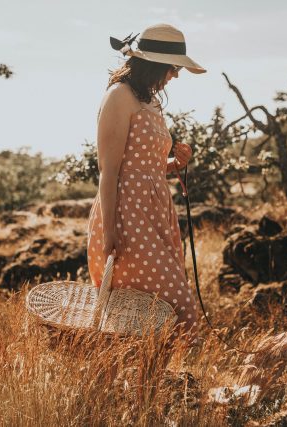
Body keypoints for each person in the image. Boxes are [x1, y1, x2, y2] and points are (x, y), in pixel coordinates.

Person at [86, 23, 206, 344]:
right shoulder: (118, 97)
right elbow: (109, 171)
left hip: (155, 214)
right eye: (173, 68)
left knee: (152, 316)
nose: (176, 75)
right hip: (127, 217)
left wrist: (175, 163)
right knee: (175, 303)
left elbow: (144, 167)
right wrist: (110, 230)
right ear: (154, 63)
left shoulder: (150, 101)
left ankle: (145, 386)